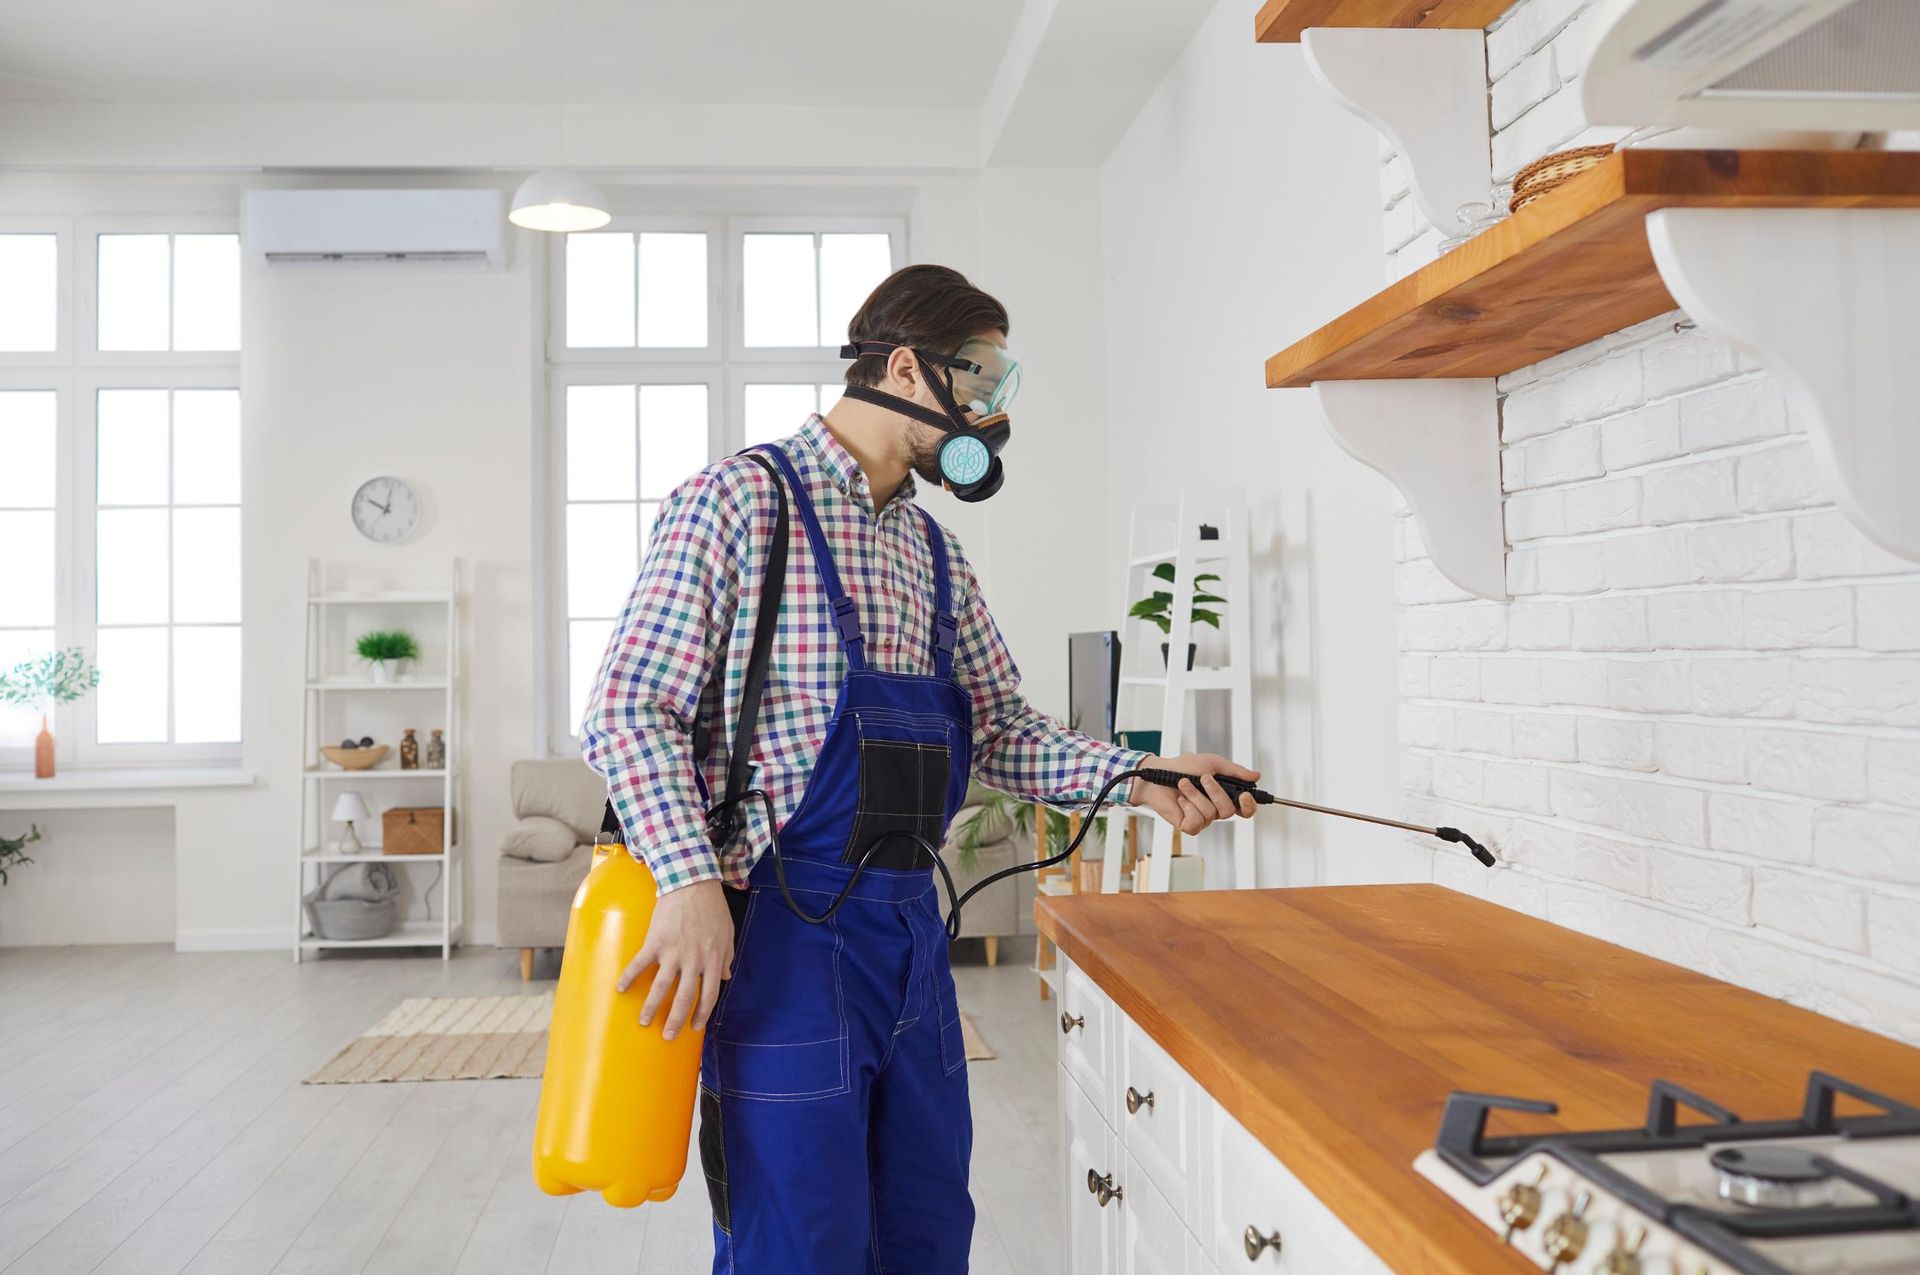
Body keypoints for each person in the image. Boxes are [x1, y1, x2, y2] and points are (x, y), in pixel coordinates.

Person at [582, 263, 1259, 1274]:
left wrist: (1140, 778)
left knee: (926, 1230)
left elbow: (1001, 731)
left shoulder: (935, 557)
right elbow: (631, 707)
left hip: (906, 939)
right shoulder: (738, 503)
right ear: (906, 365)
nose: (989, 409)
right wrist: (685, 882)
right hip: (779, 938)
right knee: (799, 1243)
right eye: (979, 380)